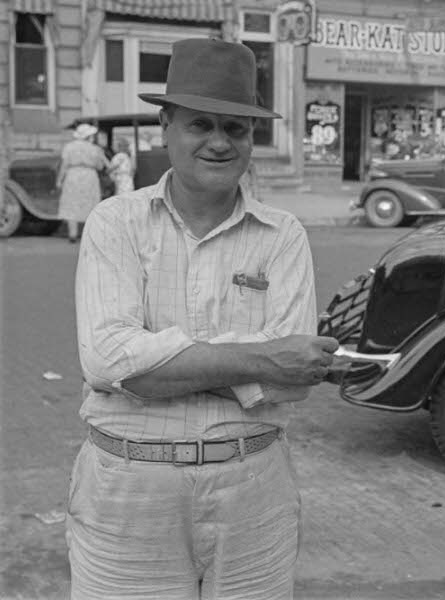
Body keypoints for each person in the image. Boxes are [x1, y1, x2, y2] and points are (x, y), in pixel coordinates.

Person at [67, 38, 339, 599]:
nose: (219, 142)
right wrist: (260, 358)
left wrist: (154, 371)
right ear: (166, 126)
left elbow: (291, 385)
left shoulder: (283, 235)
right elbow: (107, 359)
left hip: (253, 491)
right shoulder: (115, 222)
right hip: (128, 495)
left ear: (251, 139)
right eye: (201, 125)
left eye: (235, 128)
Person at [56, 122, 109, 242]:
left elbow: (64, 165)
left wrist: (59, 180)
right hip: (89, 176)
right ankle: (87, 233)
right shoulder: (95, 149)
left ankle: (72, 234)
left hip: (72, 175)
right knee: (89, 203)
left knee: (72, 204)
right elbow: (100, 166)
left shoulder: (69, 147)